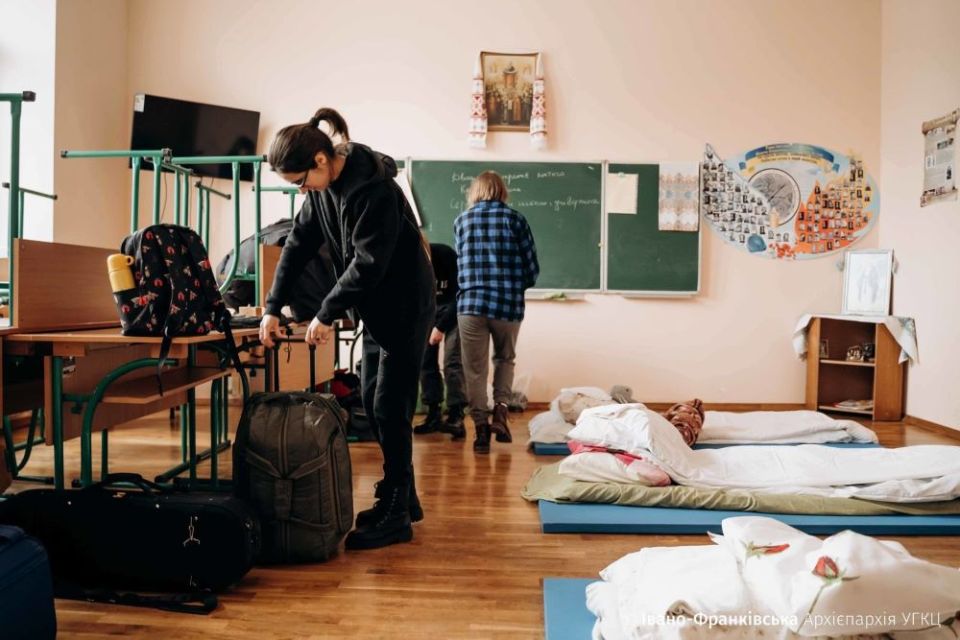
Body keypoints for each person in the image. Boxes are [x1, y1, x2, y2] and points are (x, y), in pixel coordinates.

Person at [260, 108, 434, 551]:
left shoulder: (373, 190)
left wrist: (325, 312)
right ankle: (403, 495)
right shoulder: (321, 193)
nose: (301, 190)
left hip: (405, 307)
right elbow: (297, 244)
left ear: (321, 161)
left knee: (389, 405)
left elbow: (368, 263)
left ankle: (397, 514)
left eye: (300, 181)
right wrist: (272, 307)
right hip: (377, 311)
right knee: (377, 404)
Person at [454, 171, 539, 454]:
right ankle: (501, 412)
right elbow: (531, 269)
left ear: (475, 191)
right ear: (502, 191)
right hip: (507, 304)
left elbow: (460, 265)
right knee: (505, 358)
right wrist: (514, 287)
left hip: (471, 305)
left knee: (474, 370)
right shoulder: (515, 219)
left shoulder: (462, 221)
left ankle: (480, 432)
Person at [413, 243, 467, 440]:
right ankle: (433, 413)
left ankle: (456, 416)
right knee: (425, 363)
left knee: (452, 361)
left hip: (454, 312)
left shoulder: (446, 255)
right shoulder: (411, 262)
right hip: (428, 311)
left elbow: (461, 295)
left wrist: (441, 326)